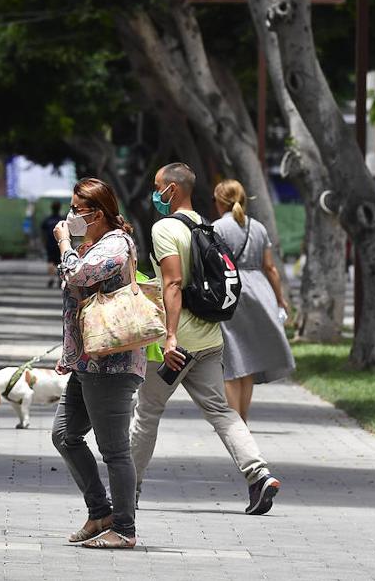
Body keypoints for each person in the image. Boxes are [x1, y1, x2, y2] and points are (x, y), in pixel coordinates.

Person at [130, 163, 281, 517]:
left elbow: (172, 283)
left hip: (176, 345)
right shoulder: (204, 224)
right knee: (222, 411)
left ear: (172, 189)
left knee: (147, 412)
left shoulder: (165, 227)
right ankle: (259, 475)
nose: (155, 193)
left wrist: (168, 338)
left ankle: (128, 489)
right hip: (210, 339)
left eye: (157, 186)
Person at [50, 178, 145, 550]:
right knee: (64, 434)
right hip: (88, 361)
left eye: (77, 209)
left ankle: (124, 528)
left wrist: (64, 243)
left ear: (98, 213)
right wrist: (70, 351)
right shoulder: (96, 245)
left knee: (115, 450)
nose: (71, 215)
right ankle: (100, 511)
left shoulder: (116, 246)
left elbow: (76, 276)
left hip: (113, 364)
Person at [211, 180, 295, 423]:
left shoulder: (217, 227)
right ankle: (243, 419)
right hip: (259, 292)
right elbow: (270, 267)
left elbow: (214, 265)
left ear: (219, 201)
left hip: (230, 292)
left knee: (230, 361)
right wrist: (280, 300)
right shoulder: (258, 227)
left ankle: (234, 422)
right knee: (247, 362)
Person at [40, 202, 65, 288]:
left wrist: (44, 242)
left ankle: (51, 278)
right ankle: (59, 278)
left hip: (50, 244)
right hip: (60, 243)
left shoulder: (47, 220)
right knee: (60, 262)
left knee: (51, 262)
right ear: (59, 208)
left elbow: (43, 233)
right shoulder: (62, 220)